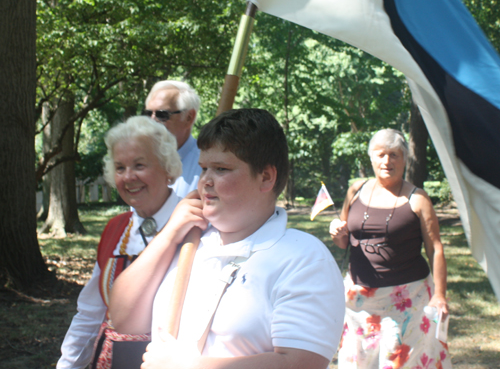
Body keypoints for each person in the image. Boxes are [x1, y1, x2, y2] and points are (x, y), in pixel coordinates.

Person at [109, 108, 345, 369]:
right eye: (203, 168)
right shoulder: (187, 240)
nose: (205, 181)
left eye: (221, 169)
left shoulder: (303, 258)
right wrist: (168, 235)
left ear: (266, 177)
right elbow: (123, 319)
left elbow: (301, 363)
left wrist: (189, 367)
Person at [57, 116, 183, 369]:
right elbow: (91, 313)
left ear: (167, 168)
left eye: (139, 165)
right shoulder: (116, 229)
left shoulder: (197, 229)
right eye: (120, 168)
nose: (128, 177)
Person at [330, 129, 453, 369]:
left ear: (405, 159)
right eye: (381, 154)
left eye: (395, 155)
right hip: (359, 302)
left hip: (408, 299)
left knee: (400, 362)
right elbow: (344, 241)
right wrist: (337, 232)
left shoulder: (417, 199)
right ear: (371, 158)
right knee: (360, 361)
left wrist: (439, 294)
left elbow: (435, 248)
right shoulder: (355, 191)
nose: (387, 161)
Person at [144, 80, 201, 198]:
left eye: (162, 114)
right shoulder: (140, 161)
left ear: (189, 118)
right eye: (148, 114)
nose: (152, 121)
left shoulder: (207, 167)